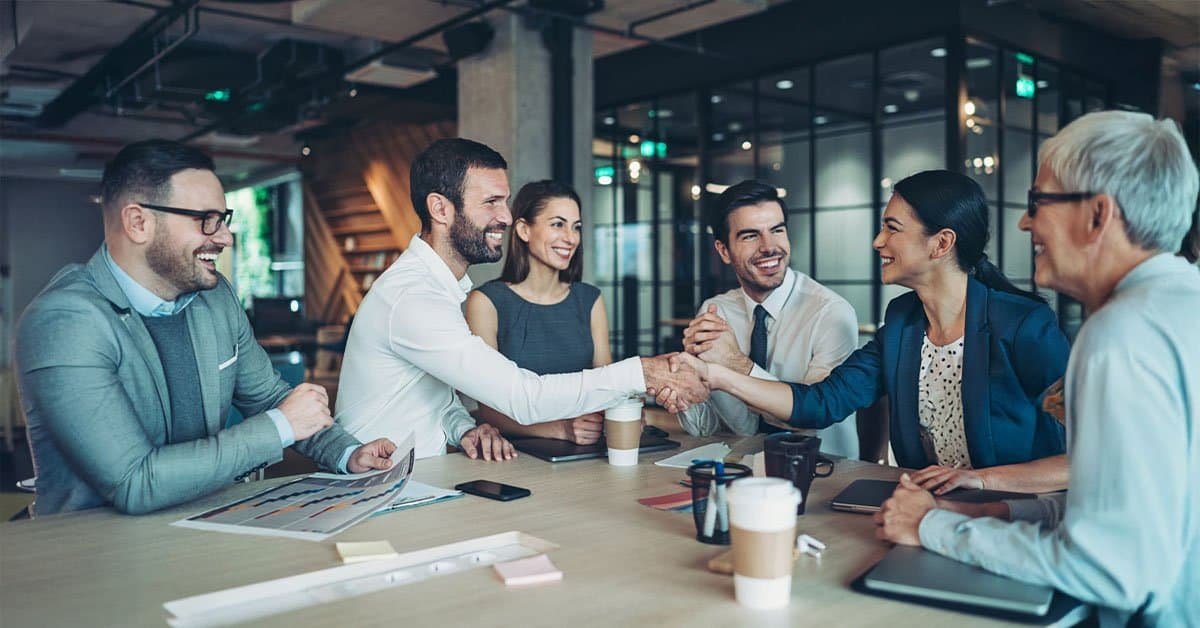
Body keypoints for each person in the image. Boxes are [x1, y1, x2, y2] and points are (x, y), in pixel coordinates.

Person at [875, 110, 1200, 626]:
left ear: (1098, 215)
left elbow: (1109, 568)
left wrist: (934, 530)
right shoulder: (1181, 307)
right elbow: (1114, 507)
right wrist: (988, 513)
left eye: (1039, 203)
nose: (1026, 222)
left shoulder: (1120, 337)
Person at [14, 139, 395, 517]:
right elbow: (135, 482)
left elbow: (266, 396)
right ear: (138, 222)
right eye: (206, 220)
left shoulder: (216, 298)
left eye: (223, 220)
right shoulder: (64, 321)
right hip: (95, 556)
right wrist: (278, 427)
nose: (225, 237)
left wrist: (346, 453)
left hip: (209, 524)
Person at [667, 170, 1070, 494]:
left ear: (940, 243)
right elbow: (820, 403)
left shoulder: (1023, 326)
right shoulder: (902, 323)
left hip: (1016, 520)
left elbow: (1090, 456)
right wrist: (715, 375)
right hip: (929, 516)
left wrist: (982, 480)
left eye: (892, 228)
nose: (878, 241)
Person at [335, 138, 706, 460]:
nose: (507, 217)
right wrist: (640, 372)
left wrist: (463, 428)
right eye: (492, 202)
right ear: (441, 209)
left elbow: (433, 398)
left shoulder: (438, 289)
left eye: (506, 201)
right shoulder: (413, 297)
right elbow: (521, 397)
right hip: (380, 489)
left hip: (421, 479)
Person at [675, 180, 861, 458]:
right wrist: (686, 383)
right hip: (740, 468)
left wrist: (734, 363)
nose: (769, 247)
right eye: (750, 236)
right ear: (724, 251)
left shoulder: (831, 313)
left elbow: (808, 420)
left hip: (823, 472)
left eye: (777, 230)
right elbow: (706, 428)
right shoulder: (716, 311)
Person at [465, 180, 609, 445]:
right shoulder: (485, 302)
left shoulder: (590, 299)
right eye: (558, 224)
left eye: (576, 227)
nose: (571, 238)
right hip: (515, 457)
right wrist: (558, 429)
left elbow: (608, 389)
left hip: (586, 452)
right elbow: (488, 409)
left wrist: (621, 414)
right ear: (523, 230)